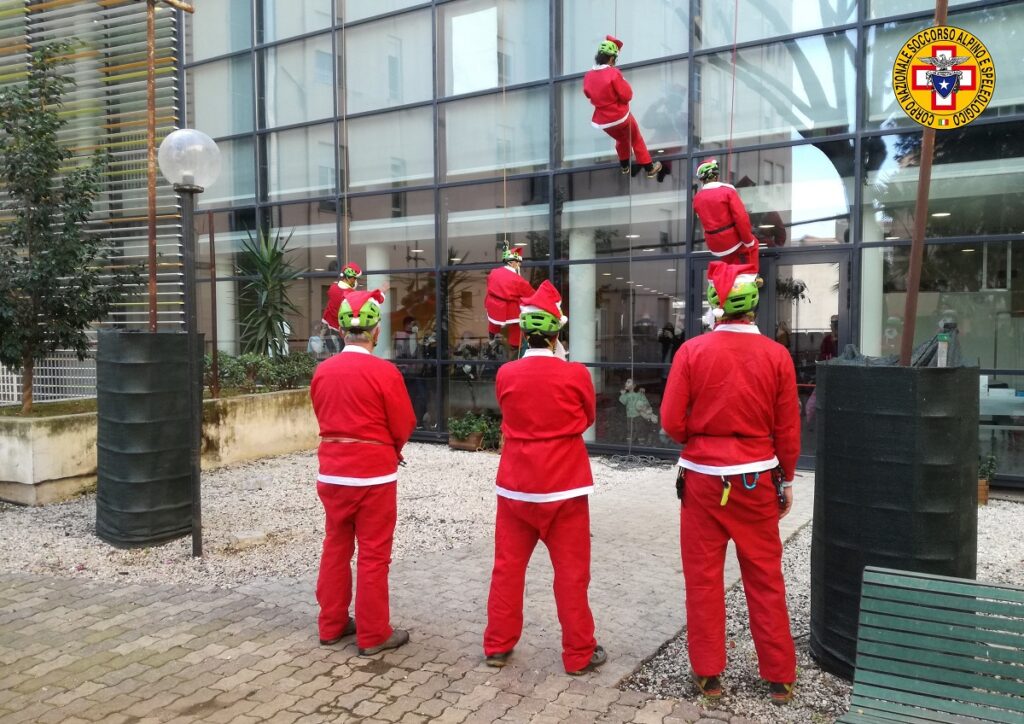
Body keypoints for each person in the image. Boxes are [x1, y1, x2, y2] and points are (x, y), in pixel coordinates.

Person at [660, 261, 801, 705]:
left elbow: (670, 421)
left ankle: (708, 674)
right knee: (764, 576)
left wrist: (697, 438)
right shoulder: (777, 356)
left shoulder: (691, 352)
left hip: (702, 480)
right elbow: (788, 429)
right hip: (756, 478)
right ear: (754, 306)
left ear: (716, 306)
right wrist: (788, 479)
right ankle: (779, 676)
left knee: (703, 579)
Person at [483, 280, 606, 676]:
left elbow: (508, 414)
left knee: (507, 568)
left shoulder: (506, 374)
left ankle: (498, 645)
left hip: (517, 485)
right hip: (565, 485)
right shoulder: (577, 376)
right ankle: (578, 653)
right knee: (571, 574)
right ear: (557, 332)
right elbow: (587, 418)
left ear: (525, 332)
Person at [310, 288, 416, 657]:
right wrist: (393, 449)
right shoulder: (384, 372)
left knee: (335, 546)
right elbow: (403, 422)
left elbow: (321, 414)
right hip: (373, 476)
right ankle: (373, 635)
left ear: (341, 331)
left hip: (333, 472)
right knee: (373, 553)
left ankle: (332, 624)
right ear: (376, 331)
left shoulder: (323, 371)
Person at [583, 35, 664, 181]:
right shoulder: (613, 73)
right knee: (636, 139)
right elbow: (627, 95)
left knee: (622, 139)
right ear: (612, 58)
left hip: (603, 122)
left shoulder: (588, 75)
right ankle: (649, 168)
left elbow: (588, 94)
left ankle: (625, 165)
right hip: (620, 116)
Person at [692, 159, 759, 271]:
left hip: (714, 243)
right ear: (716, 175)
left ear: (702, 179)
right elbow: (740, 217)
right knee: (753, 244)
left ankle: (727, 280)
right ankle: (752, 276)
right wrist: (747, 239)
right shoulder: (727, 191)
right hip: (731, 239)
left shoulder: (697, 198)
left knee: (729, 259)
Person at [485, 247, 535, 353]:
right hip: (509, 308)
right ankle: (515, 344)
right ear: (513, 263)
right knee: (517, 321)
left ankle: (492, 332)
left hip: (493, 304)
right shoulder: (518, 280)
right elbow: (530, 294)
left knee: (493, 319)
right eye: (519, 262)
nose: (520, 265)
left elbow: (489, 284)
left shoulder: (493, 272)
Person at [321, 262, 363, 333]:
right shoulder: (350, 294)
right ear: (349, 278)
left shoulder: (333, 288)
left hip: (327, 326)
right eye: (355, 278)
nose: (356, 281)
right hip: (341, 330)